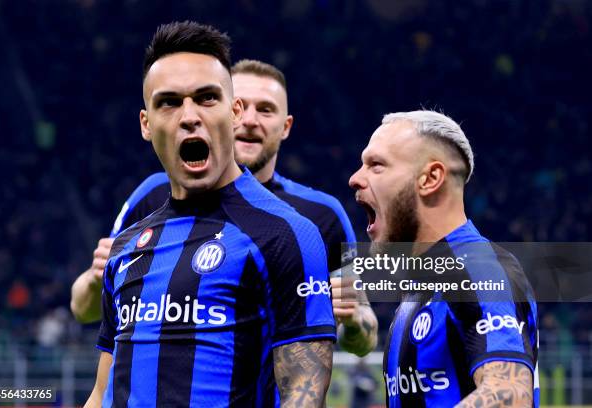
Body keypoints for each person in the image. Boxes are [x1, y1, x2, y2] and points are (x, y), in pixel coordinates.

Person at [85, 21, 334, 407]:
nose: (189, 115)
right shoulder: (128, 245)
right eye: (169, 101)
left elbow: (304, 394)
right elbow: (101, 392)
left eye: (206, 98)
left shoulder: (288, 233)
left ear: (233, 113)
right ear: (146, 124)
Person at [72, 59, 378, 356]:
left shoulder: (323, 214)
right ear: (226, 113)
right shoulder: (154, 194)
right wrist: (96, 279)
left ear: (285, 127)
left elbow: (365, 335)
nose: (251, 120)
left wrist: (352, 322)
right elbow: (82, 310)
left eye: (266, 109)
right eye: (242, 106)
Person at [349, 110, 539, 407]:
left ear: (430, 178)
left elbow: (510, 395)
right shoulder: (423, 281)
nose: (355, 179)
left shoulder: (480, 268)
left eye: (376, 165)